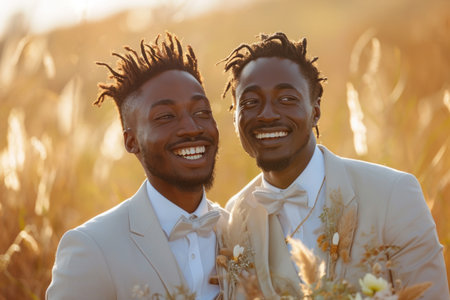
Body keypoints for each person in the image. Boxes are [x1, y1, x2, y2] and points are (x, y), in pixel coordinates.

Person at [222, 32, 449, 298]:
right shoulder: (234, 218)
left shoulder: (393, 194)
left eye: (286, 99)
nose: (268, 114)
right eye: (250, 102)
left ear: (315, 109)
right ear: (235, 116)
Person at [47, 33, 230, 300]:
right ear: (131, 141)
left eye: (202, 112)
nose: (191, 129)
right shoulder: (92, 247)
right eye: (166, 117)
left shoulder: (239, 229)